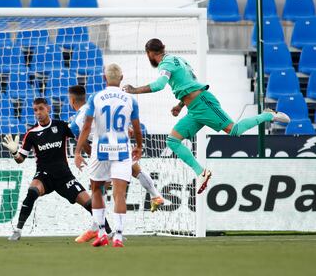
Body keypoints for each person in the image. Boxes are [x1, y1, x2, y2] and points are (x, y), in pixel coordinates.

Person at [123, 38, 290, 194]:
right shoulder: (179, 60)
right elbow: (189, 83)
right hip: (194, 109)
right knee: (172, 141)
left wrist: (134, 90)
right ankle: (201, 172)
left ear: (150, 54)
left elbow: (159, 85)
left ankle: (267, 116)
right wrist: (181, 105)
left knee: (235, 130)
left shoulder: (165, 64)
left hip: (204, 103)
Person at [2, 97, 111, 241]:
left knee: (90, 203)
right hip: (44, 176)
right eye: (35, 110)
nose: (38, 112)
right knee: (32, 192)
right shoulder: (32, 133)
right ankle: (18, 230)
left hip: (64, 177)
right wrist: (15, 152)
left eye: (41, 108)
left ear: (48, 109)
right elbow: (20, 159)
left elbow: (81, 136)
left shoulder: (61, 126)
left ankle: (109, 232)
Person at [68, 85, 164, 244]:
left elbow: (81, 136)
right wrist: (129, 130)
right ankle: (155, 195)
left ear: (71, 101)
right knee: (133, 172)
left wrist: (85, 152)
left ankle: (98, 229)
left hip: (102, 151)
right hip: (119, 144)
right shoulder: (99, 103)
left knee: (98, 188)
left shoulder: (78, 118)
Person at [75, 64, 143, 248]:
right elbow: (136, 127)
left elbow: (87, 127)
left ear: (105, 78)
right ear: (121, 78)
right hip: (121, 149)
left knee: (97, 190)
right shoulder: (130, 99)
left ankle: (102, 233)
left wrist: (77, 151)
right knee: (119, 193)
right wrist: (139, 146)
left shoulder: (95, 98)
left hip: (100, 150)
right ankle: (118, 236)